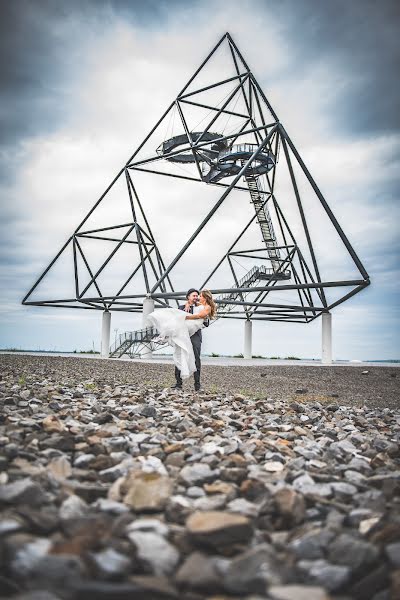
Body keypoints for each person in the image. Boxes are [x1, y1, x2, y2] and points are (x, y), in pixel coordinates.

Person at [148, 289, 216, 391]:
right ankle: (178, 383)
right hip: (181, 335)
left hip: (195, 336)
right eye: (194, 296)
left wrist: (199, 318)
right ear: (188, 297)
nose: (196, 297)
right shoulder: (181, 307)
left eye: (198, 296)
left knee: (196, 358)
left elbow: (206, 323)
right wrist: (186, 307)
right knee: (179, 355)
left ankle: (197, 385)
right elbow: (175, 320)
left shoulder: (201, 307)